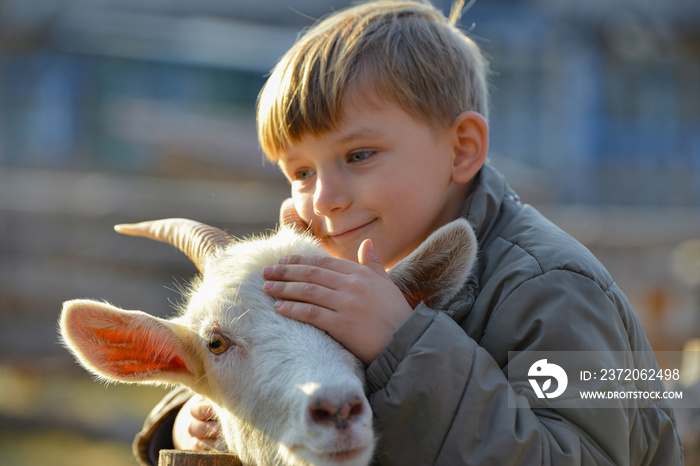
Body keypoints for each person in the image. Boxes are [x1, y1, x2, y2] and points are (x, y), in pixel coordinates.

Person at [133, 1, 684, 464]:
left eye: (359, 154)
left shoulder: (557, 289)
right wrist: (201, 421)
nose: (324, 197)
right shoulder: (349, 264)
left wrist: (405, 343)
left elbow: (581, 456)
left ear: (462, 148)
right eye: (300, 172)